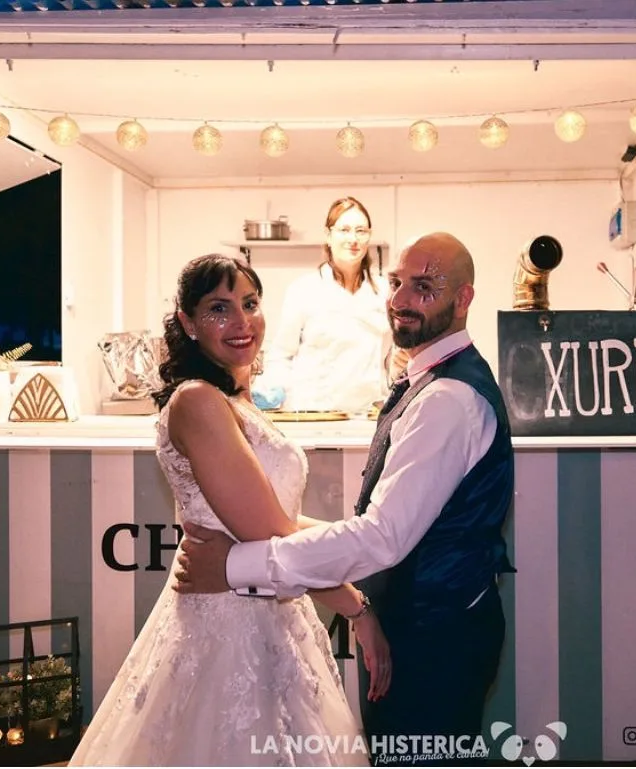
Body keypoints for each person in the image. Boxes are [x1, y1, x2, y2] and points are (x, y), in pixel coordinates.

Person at [174, 233, 516, 766]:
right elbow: (285, 521)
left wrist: (240, 564)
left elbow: (381, 536)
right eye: (398, 283)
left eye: (424, 287)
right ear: (188, 321)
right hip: (390, 626)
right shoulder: (208, 401)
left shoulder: (449, 397)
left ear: (463, 298)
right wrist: (360, 609)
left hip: (435, 639)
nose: (401, 299)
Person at [69, 253, 391, 767]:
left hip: (276, 612)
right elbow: (270, 530)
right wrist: (356, 605)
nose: (242, 322)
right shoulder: (197, 402)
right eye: (219, 309)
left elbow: (278, 520)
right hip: (227, 626)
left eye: (250, 303)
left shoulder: (239, 402)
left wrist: (369, 545)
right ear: (187, 323)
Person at [257, 196, 400, 413]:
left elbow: (391, 359)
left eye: (361, 231)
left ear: (369, 236)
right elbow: (281, 354)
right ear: (328, 235)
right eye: (344, 230)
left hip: (368, 413)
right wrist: (274, 389)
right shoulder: (304, 290)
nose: (353, 238)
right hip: (314, 412)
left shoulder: (384, 293)